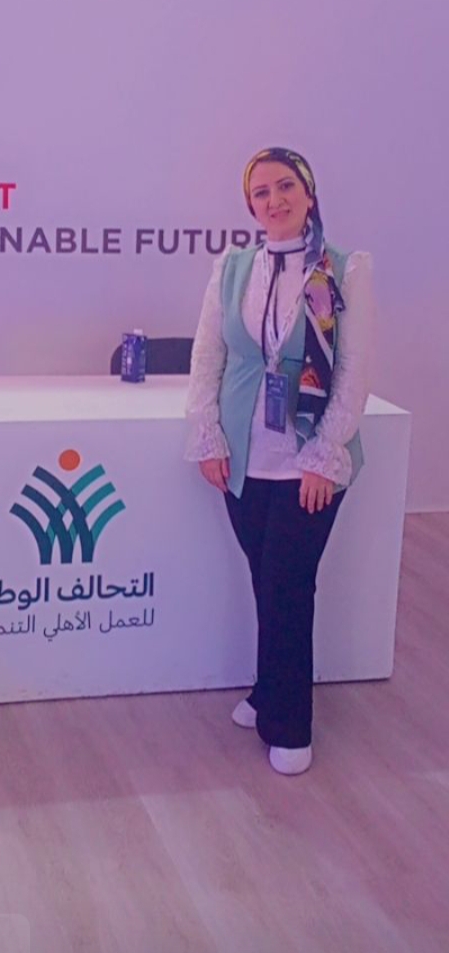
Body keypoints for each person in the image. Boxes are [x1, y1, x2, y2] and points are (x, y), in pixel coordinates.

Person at [186, 147, 373, 775]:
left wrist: (324, 455)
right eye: (261, 193)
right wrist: (207, 436)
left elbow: (352, 372)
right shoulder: (234, 267)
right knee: (265, 579)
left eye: (286, 186)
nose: (275, 200)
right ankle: (269, 688)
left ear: (309, 193)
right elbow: (208, 357)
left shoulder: (342, 269)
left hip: (310, 459)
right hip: (245, 458)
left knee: (289, 584)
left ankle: (290, 722)